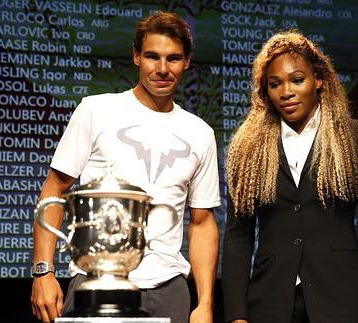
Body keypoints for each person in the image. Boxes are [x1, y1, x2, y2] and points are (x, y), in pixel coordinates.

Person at [30, 12, 220, 323]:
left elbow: (201, 223)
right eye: (152, 56)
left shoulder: (200, 132)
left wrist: (206, 304)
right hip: (96, 281)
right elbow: (55, 189)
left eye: (173, 58)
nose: (162, 69)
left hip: (169, 291)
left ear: (186, 62)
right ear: (136, 56)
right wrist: (42, 272)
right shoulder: (96, 110)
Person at [221, 30, 358, 323]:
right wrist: (236, 316)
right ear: (266, 91)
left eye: (297, 80)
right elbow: (238, 237)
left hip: (343, 300)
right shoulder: (248, 148)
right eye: (275, 84)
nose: (286, 92)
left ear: (319, 80)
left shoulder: (355, 137)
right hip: (269, 304)